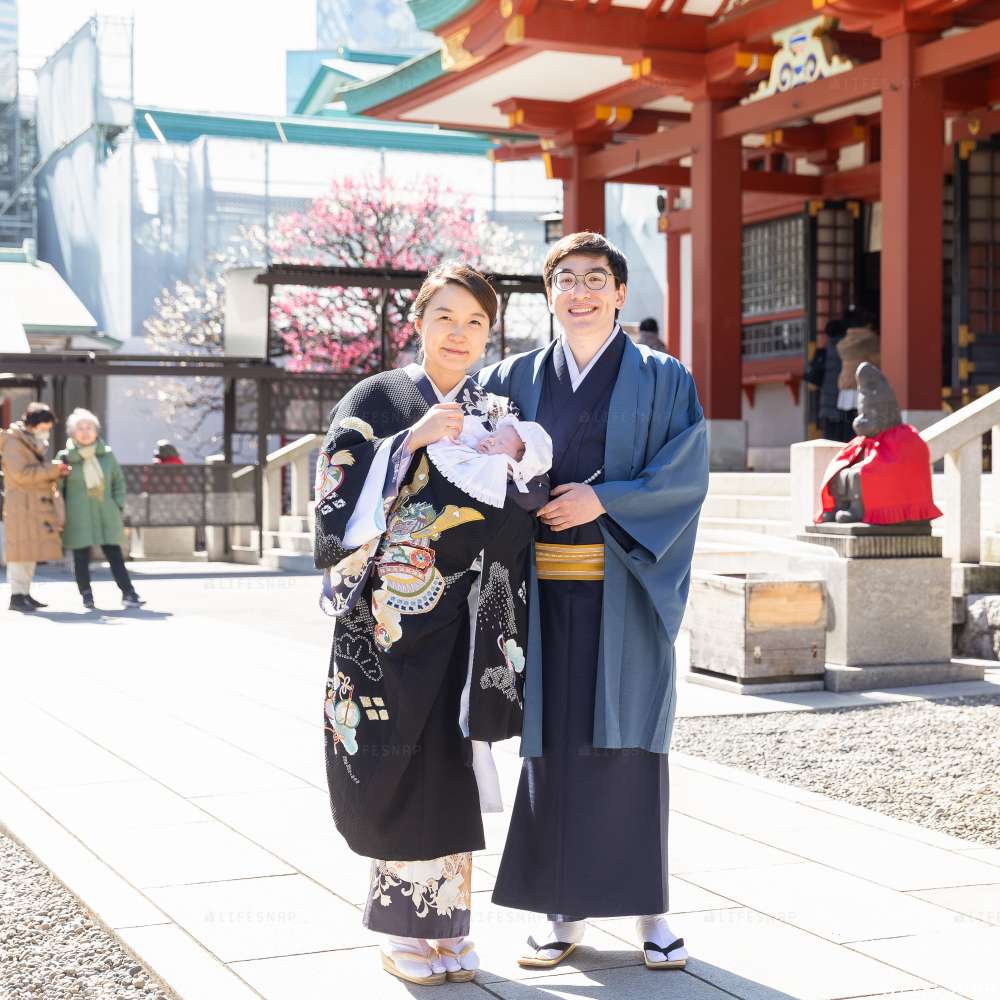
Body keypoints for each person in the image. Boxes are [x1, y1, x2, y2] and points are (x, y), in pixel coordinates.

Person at [313, 263, 550, 987]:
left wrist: (520, 456)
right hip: (388, 622)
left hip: (469, 619)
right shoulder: (377, 398)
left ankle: (446, 925)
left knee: (452, 761)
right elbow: (335, 504)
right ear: (418, 320)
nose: (460, 333)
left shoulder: (494, 407)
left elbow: (524, 505)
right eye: (446, 316)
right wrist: (407, 442)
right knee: (393, 756)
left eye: (476, 322)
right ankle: (397, 923)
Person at [478, 231, 709, 971]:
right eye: (565, 281)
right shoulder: (511, 377)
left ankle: (651, 913)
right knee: (550, 750)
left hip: (626, 591)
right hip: (537, 592)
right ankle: (561, 911)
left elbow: (684, 476)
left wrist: (600, 499)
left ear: (618, 293)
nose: (578, 293)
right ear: (549, 297)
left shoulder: (664, 377)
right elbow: (478, 478)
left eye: (594, 279)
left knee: (631, 744)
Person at [57, 408, 145, 611]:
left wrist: (118, 504)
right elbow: (58, 489)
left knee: (114, 553)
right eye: (80, 428)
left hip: (106, 512)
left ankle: (129, 593)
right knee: (80, 556)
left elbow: (118, 482)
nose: (85, 432)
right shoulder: (65, 457)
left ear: (96, 431)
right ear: (72, 432)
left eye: (89, 427)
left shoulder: (107, 454)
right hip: (77, 514)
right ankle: (86, 595)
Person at [0, 403, 70, 612]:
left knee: (29, 551)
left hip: (31, 504)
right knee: (19, 550)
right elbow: (20, 475)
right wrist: (52, 469)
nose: (47, 431)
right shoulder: (14, 442)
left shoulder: (27, 441)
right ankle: (17, 596)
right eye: (45, 426)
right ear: (35, 424)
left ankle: (25, 594)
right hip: (21, 504)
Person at [804, 317, 852, 442]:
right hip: (843, 396)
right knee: (845, 433)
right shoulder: (846, 349)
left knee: (830, 433)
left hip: (826, 397)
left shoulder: (824, 350)